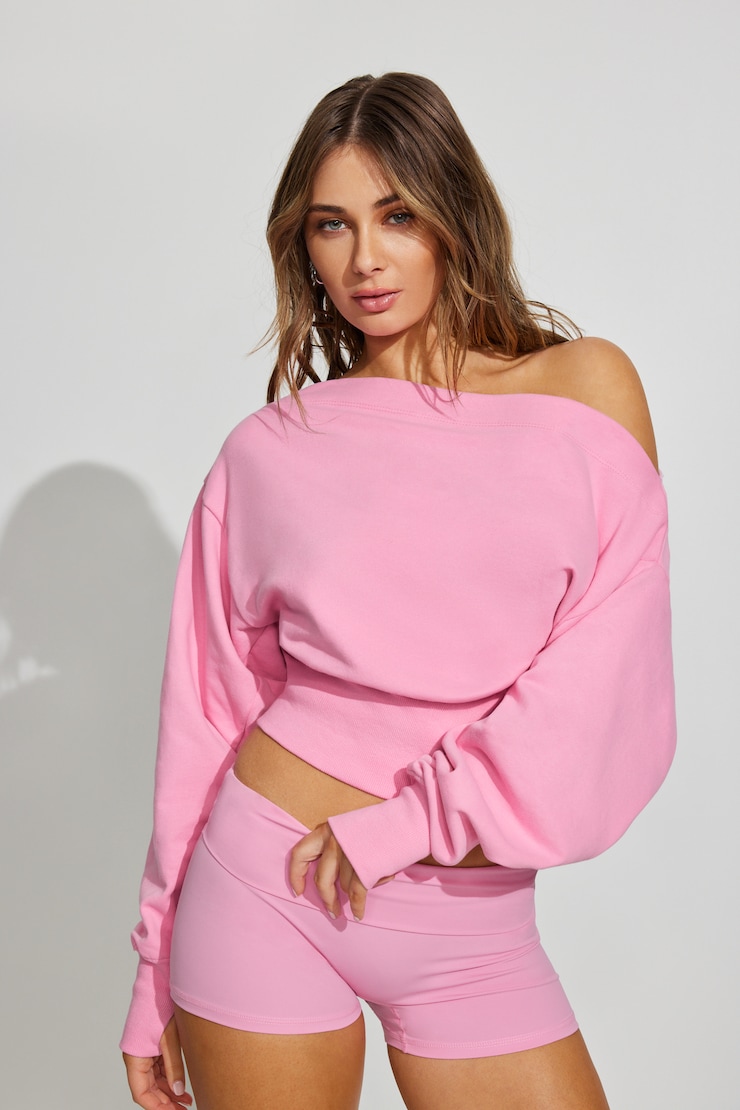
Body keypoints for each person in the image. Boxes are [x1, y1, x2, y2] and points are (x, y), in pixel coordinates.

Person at [120, 72, 676, 1110]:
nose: (364, 259)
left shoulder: (585, 390)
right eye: (330, 225)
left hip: (468, 917)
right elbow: (206, 714)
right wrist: (155, 966)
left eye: (397, 215)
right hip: (266, 884)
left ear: (453, 215)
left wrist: (405, 823)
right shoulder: (268, 450)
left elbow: (605, 677)